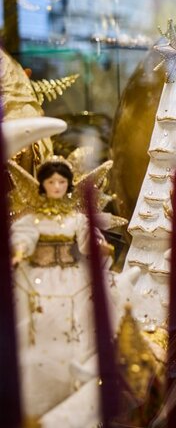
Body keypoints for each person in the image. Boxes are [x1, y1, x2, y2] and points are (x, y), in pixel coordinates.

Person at [10, 158, 112, 420]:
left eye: (61, 182)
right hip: (38, 277)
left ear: (68, 185)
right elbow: (24, 238)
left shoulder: (75, 218)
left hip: (70, 277)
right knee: (37, 322)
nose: (56, 186)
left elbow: (88, 240)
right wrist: (19, 252)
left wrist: (98, 246)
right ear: (42, 184)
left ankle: (71, 383)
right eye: (51, 182)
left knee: (74, 322)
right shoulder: (33, 218)